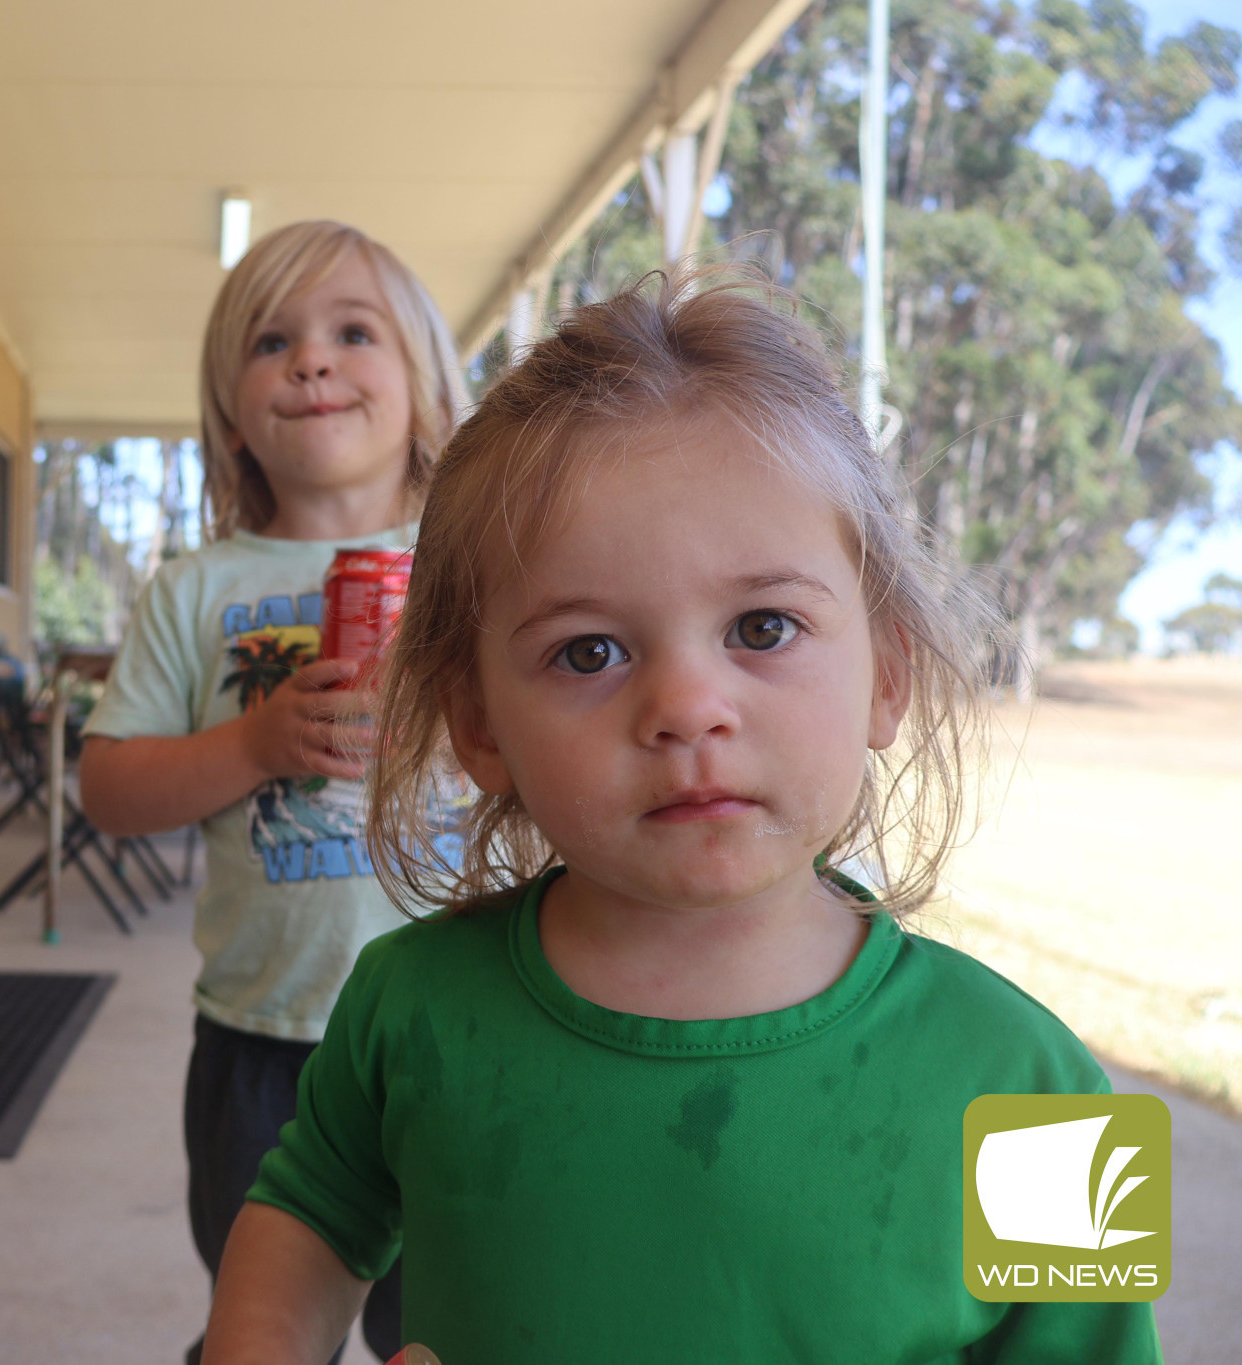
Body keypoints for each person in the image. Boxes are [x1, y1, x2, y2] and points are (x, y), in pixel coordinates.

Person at [200, 268, 1163, 1363]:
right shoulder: (404, 1002)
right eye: (587, 652)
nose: (684, 707)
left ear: (886, 674)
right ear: (477, 724)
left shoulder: (1043, 1086)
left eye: (760, 627)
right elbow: (306, 1219)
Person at [80, 219, 466, 1363]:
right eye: (271, 341)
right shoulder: (198, 590)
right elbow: (107, 786)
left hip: (456, 1025)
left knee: (453, 1321)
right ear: (229, 410)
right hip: (264, 1034)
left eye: (354, 332)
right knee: (262, 1326)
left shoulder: (481, 562)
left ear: (425, 388)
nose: (311, 360)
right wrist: (253, 745)